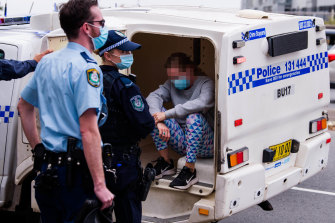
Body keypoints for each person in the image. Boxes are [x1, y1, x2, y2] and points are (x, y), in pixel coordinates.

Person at [17, 0, 114, 222]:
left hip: (48, 172)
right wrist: (100, 185)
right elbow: (88, 130)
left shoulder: (47, 62)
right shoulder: (88, 68)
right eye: (101, 22)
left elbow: (24, 105)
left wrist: (37, 148)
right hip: (76, 178)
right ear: (86, 28)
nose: (103, 27)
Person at [97, 30, 155, 223]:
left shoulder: (90, 78)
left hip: (93, 157)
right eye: (123, 52)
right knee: (128, 213)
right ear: (108, 54)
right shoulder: (124, 85)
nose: (129, 56)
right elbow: (144, 122)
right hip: (122, 160)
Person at [146, 52, 215, 190]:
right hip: (184, 144)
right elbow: (152, 97)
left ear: (189, 69)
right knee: (154, 116)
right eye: (171, 78)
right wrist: (159, 120)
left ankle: (189, 170)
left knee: (192, 117)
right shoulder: (171, 84)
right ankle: (166, 163)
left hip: (206, 144)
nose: (174, 81)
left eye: (177, 77)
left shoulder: (206, 83)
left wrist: (166, 114)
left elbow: (202, 102)